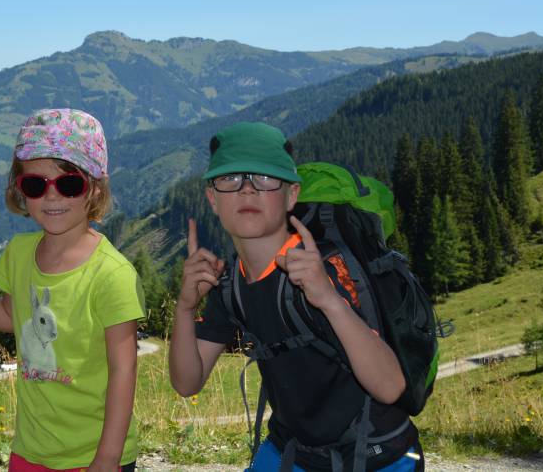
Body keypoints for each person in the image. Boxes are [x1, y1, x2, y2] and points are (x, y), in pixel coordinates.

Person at [168, 122, 422, 471]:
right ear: (213, 199)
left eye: (265, 179)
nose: (247, 190)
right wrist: (185, 307)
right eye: (231, 179)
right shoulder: (230, 283)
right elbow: (187, 383)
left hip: (378, 455)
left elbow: (391, 388)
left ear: (291, 195)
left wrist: (329, 300)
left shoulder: (324, 268)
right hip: (294, 451)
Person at [0, 108, 144, 472]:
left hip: (93, 454)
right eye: (36, 185)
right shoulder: (20, 255)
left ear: (95, 189)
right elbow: (11, 315)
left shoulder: (112, 274)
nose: (52, 197)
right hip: (31, 449)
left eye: (69, 184)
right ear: (19, 191)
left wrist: (108, 458)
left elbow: (123, 370)